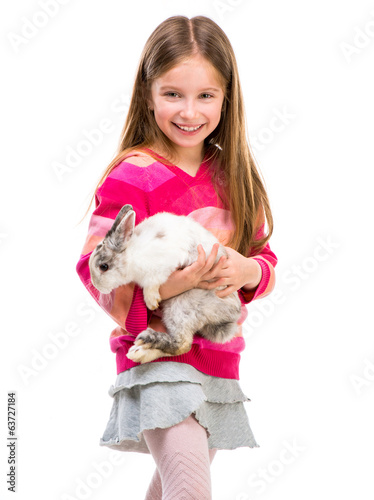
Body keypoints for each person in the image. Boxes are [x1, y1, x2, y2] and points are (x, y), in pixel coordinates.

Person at [76, 15, 277, 500]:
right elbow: (95, 268)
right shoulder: (133, 175)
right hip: (156, 358)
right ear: (148, 93)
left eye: (206, 95)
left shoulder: (234, 176)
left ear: (227, 97)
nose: (190, 111)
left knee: (172, 491)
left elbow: (262, 257)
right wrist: (174, 285)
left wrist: (246, 269)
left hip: (217, 360)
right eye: (173, 94)